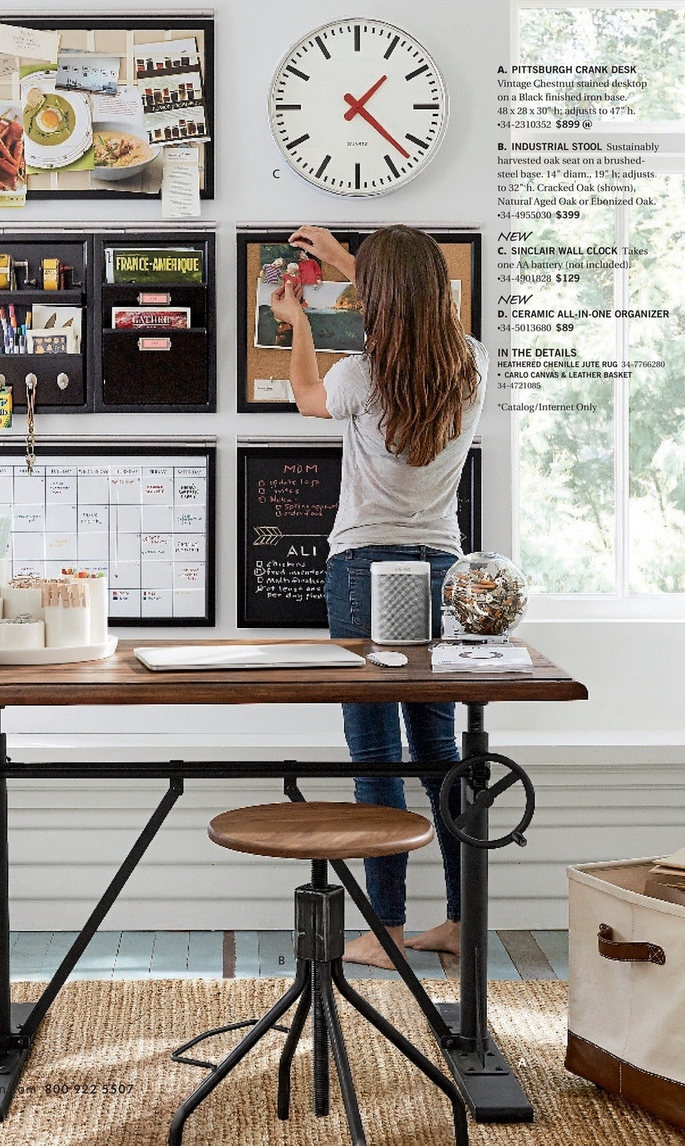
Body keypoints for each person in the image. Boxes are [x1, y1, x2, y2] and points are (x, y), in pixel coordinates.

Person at [270, 224, 488, 969]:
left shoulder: (358, 376)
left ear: (378, 297)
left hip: (363, 567)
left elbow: (303, 397)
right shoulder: (470, 366)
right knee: (438, 751)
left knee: (374, 752)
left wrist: (299, 323)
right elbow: (407, 305)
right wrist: (344, 260)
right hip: (438, 569)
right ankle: (462, 923)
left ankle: (386, 925)